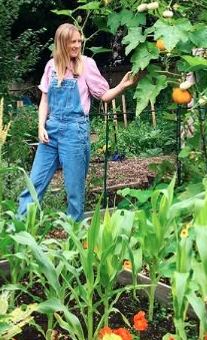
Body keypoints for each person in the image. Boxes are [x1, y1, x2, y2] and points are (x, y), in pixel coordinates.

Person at [18, 23, 136, 222]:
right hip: (51, 130)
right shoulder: (50, 66)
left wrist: (123, 85)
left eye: (79, 41)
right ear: (62, 43)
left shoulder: (87, 64)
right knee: (34, 184)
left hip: (75, 132)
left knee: (74, 192)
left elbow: (104, 96)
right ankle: (18, 235)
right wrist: (40, 126)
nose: (77, 45)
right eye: (73, 41)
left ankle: (74, 241)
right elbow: (44, 100)